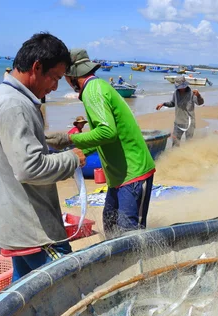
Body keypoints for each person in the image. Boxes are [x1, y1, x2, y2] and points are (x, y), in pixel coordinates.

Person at [0, 33, 86, 282]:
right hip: (35, 231)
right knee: (68, 286)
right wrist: (72, 159)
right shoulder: (15, 105)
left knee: (23, 293)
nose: (54, 87)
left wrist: (48, 144)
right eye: (55, 78)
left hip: (16, 224)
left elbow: (17, 154)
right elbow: (30, 168)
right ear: (36, 67)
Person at [45, 49, 155, 238]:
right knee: (111, 228)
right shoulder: (97, 87)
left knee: (130, 236)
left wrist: (69, 139)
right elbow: (103, 136)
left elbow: (107, 132)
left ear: (70, 75)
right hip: (118, 176)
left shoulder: (92, 92)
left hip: (133, 173)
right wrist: (79, 151)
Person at [155, 75, 204, 147]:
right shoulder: (176, 93)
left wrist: (199, 95)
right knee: (175, 143)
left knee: (189, 144)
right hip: (178, 122)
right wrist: (163, 104)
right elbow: (173, 103)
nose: (180, 88)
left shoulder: (192, 94)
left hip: (189, 122)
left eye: (181, 86)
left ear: (185, 85)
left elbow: (200, 103)